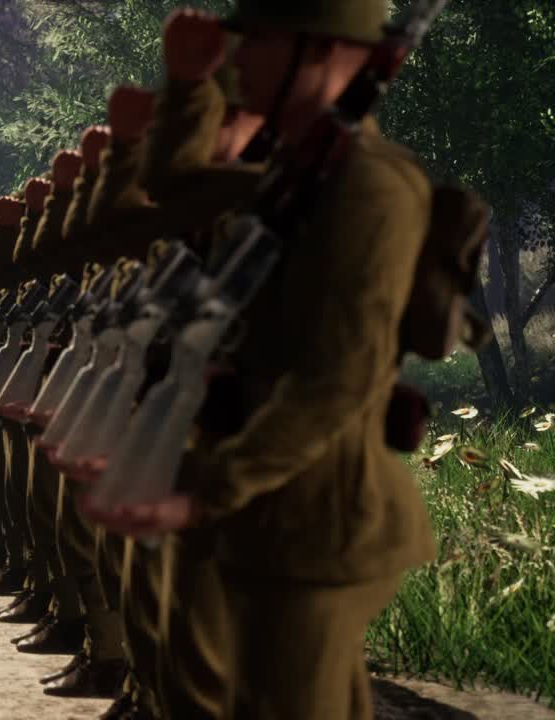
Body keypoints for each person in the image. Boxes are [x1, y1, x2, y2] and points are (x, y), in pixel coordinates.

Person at [84, 2, 438, 718]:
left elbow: (340, 379)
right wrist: (187, 85)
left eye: (263, 37)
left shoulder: (367, 187)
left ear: (323, 50)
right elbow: (172, 193)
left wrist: (210, 487)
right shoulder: (289, 179)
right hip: (266, 510)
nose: (238, 55)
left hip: (318, 519)